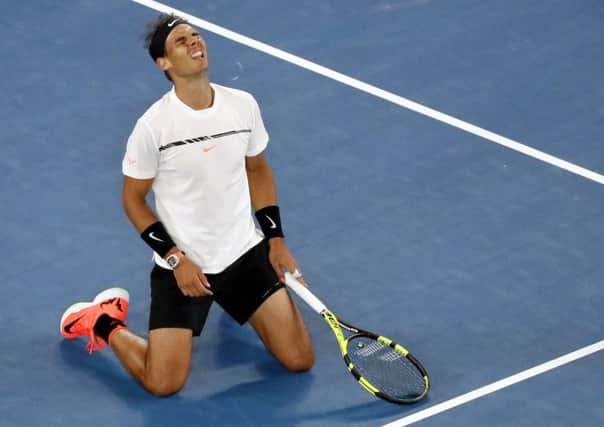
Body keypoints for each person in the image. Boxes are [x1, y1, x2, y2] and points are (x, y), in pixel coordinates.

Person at [60, 13, 314, 396]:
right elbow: (133, 199)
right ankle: (102, 321)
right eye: (181, 41)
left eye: (196, 36)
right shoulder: (154, 127)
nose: (195, 42)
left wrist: (276, 241)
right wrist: (177, 259)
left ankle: (237, 306)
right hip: (186, 270)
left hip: (244, 254)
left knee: (299, 359)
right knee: (163, 384)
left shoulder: (242, 106)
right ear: (163, 63)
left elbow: (257, 169)